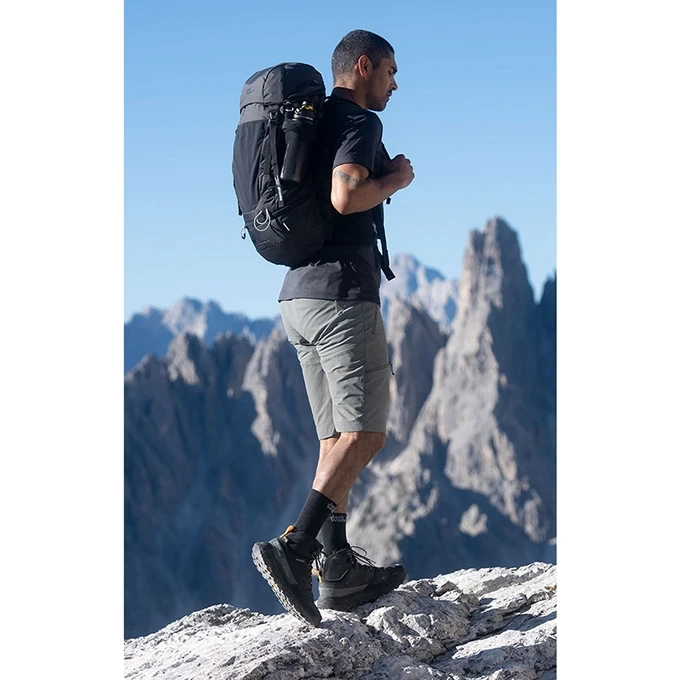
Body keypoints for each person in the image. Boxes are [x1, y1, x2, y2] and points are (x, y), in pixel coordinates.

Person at [251, 29, 415, 627]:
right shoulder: (358, 121)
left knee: (335, 438)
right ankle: (295, 549)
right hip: (342, 296)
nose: (395, 84)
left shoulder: (311, 122)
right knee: (366, 433)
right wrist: (396, 178)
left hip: (298, 297)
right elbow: (347, 195)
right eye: (390, 71)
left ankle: (338, 567)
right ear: (363, 66)